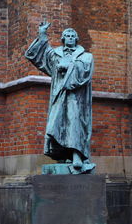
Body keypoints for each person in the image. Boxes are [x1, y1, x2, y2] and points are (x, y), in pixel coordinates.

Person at [25, 21, 94, 172]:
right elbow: (37, 55)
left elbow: (85, 73)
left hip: (76, 97)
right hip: (59, 95)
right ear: (63, 39)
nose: (70, 38)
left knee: (75, 122)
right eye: (67, 35)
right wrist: (42, 34)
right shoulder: (55, 54)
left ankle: (77, 154)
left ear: (76, 39)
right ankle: (61, 153)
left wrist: (68, 66)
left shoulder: (86, 56)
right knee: (56, 124)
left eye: (72, 36)